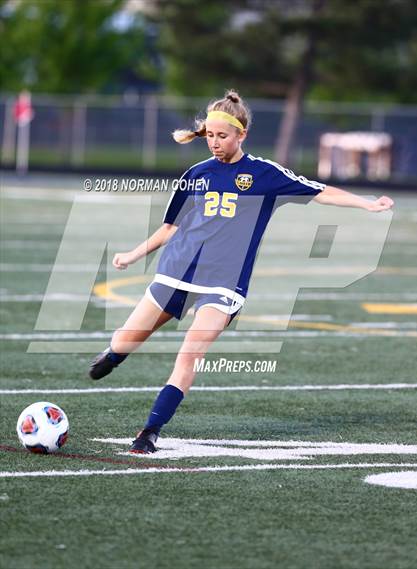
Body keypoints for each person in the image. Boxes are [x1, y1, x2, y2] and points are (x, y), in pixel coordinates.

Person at [89, 90, 394, 454]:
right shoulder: (197, 174)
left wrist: (368, 204)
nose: (215, 144)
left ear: (241, 135)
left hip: (225, 283)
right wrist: (134, 253)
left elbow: (320, 191)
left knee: (189, 355)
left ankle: (149, 432)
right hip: (176, 271)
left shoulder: (264, 174)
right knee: (126, 339)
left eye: (223, 136)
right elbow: (170, 227)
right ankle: (113, 354)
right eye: (211, 136)